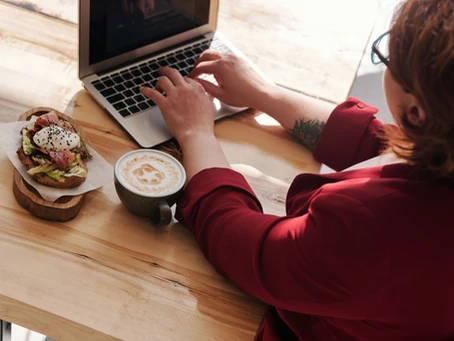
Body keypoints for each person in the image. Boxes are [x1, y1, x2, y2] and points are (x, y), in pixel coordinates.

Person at [140, 0, 454, 339]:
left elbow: (249, 250)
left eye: (390, 56)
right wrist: (265, 94)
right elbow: (387, 150)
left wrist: (195, 132)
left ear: (416, 112)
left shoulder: (372, 228)